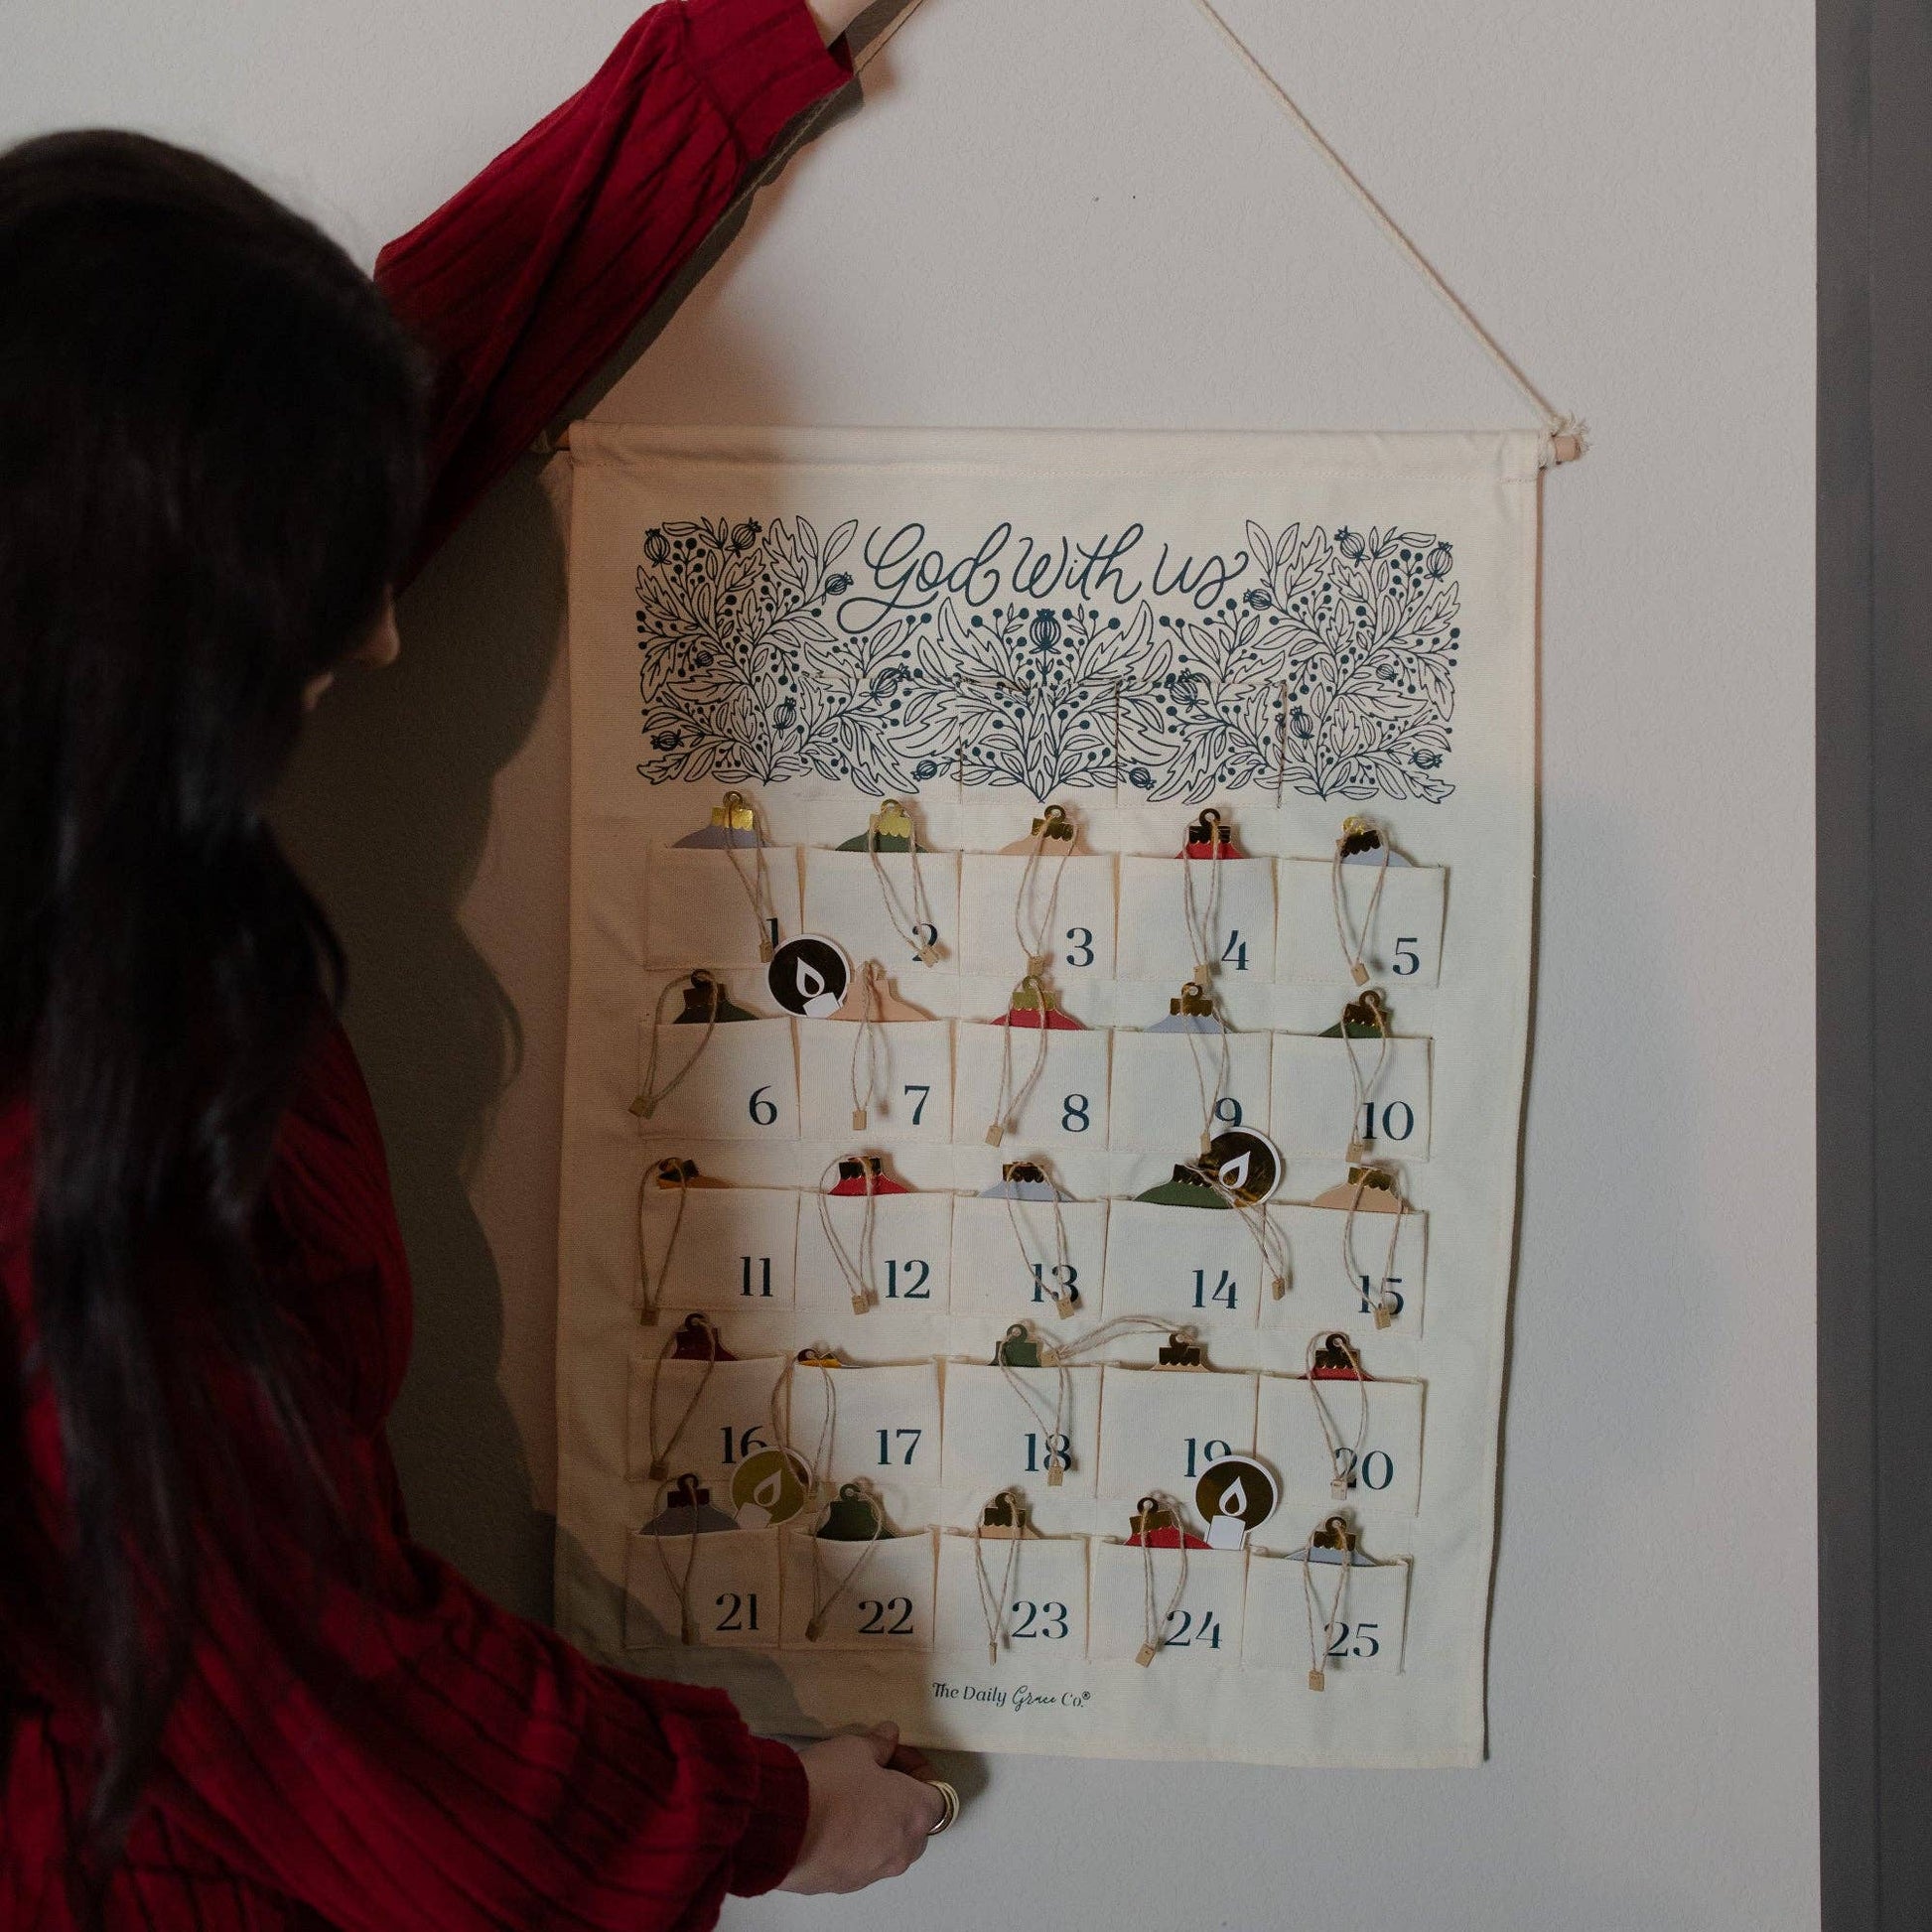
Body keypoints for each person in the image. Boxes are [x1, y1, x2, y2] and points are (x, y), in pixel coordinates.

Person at [0, 2, 947, 1923]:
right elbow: (327, 1717)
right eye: (303, 624)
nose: (378, 643)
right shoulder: (63, 1149)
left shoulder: (51, 629)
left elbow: (385, 383)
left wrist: (743, 46)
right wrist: (776, 1815)